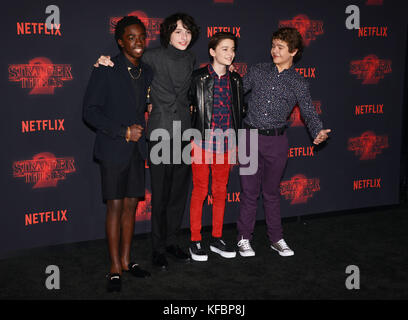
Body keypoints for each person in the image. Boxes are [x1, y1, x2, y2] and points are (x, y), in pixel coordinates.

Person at [96, 13, 200, 270]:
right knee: (161, 195)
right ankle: (157, 249)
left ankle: (173, 241)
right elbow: (125, 63)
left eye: (187, 32)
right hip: (159, 133)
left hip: (184, 133)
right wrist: (103, 61)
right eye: (177, 32)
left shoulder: (190, 59)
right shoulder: (151, 56)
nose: (183, 37)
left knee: (178, 194)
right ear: (167, 34)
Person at [236, 27, 331, 258]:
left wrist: (317, 131)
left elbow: (308, 111)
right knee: (249, 192)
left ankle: (276, 239)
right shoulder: (258, 70)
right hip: (249, 139)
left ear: (294, 51)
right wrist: (226, 76)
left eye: (280, 47)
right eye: (273, 45)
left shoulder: (299, 82)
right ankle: (243, 239)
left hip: (277, 143)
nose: (274, 50)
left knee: (271, 193)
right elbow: (235, 92)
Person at [83, 16, 153, 292]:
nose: (138, 42)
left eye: (142, 36)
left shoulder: (146, 70)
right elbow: (90, 112)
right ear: (120, 40)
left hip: (137, 151)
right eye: (131, 37)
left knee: (130, 207)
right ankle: (113, 266)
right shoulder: (106, 69)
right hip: (113, 148)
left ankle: (126, 261)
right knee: (114, 206)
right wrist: (123, 131)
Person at [188, 32, 244, 261]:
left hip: (227, 144)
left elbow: (239, 112)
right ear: (212, 52)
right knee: (200, 191)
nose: (230, 53)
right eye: (224, 49)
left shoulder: (236, 80)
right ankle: (195, 240)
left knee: (220, 192)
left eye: (232, 49)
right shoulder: (198, 77)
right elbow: (185, 104)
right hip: (201, 141)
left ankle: (217, 238)